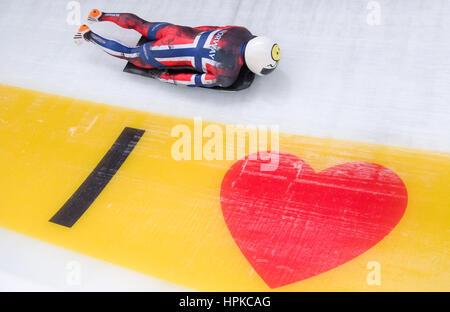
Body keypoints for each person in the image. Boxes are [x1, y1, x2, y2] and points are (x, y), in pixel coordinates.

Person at [74, 9, 281, 88]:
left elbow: (209, 28)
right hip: (170, 50)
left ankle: (100, 15)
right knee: (131, 55)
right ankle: (87, 35)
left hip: (179, 33)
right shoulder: (227, 74)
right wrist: (164, 77)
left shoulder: (241, 31)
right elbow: (193, 80)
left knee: (142, 24)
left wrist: (190, 33)